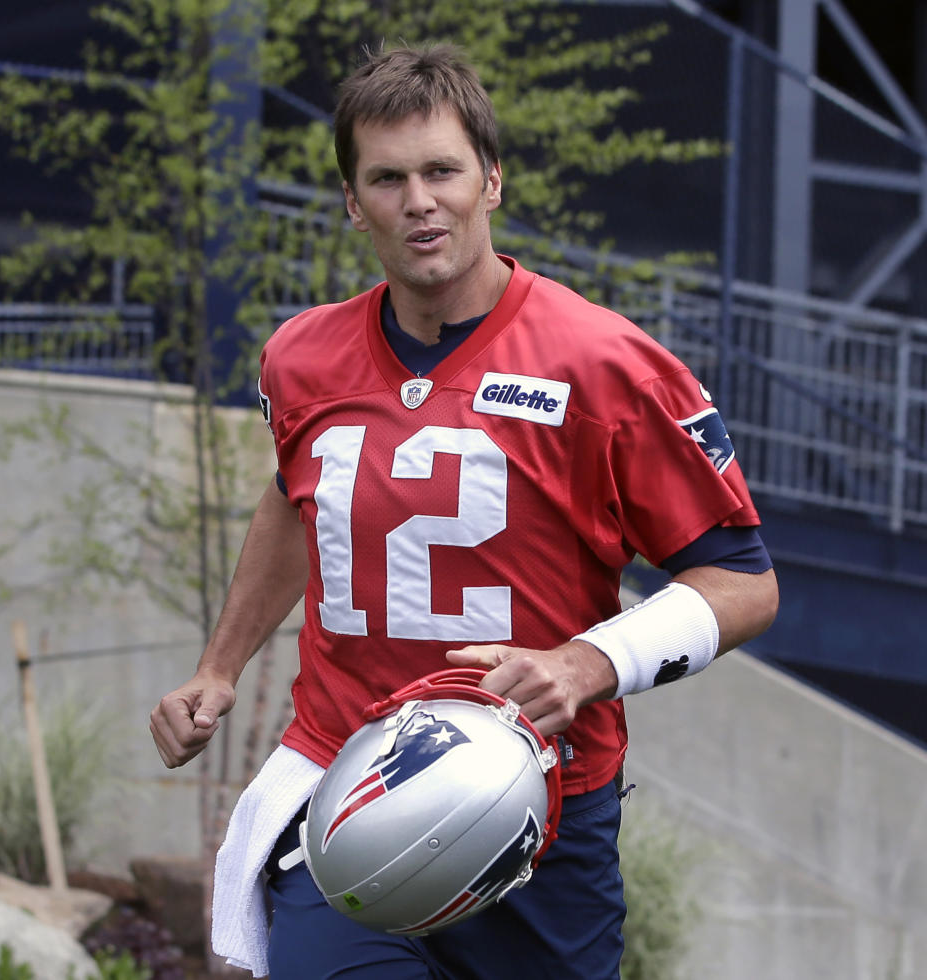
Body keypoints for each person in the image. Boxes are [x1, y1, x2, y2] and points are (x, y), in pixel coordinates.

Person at [150, 43, 779, 979]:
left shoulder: (605, 365)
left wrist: (586, 663)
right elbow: (297, 501)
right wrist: (219, 665)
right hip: (351, 780)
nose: (419, 200)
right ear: (352, 204)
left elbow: (742, 583)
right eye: (388, 178)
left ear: (491, 180)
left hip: (537, 804)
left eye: (442, 170)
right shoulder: (303, 360)